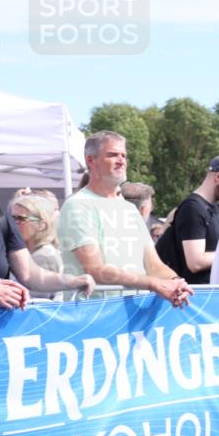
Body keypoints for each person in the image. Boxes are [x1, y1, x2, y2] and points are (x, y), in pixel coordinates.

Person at [57, 131, 191, 305]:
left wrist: (177, 282)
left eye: (124, 155)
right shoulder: (78, 205)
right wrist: (153, 283)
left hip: (132, 315)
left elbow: (154, 265)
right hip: (94, 315)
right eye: (112, 155)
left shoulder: (129, 209)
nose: (121, 161)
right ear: (91, 160)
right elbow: (96, 270)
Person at [159, 154, 219, 285]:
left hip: (208, 295)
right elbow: (195, 262)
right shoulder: (192, 208)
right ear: (218, 177)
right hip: (195, 297)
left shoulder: (212, 208)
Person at [0, 211, 94, 308]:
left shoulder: (4, 220)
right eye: (15, 217)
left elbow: (29, 275)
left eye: (21, 218)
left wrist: (73, 281)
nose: (17, 222)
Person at [8, 192, 67, 300]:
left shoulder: (44, 256)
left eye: (21, 219)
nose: (13, 223)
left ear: (41, 225)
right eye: (12, 218)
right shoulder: (26, 252)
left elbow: (33, 302)